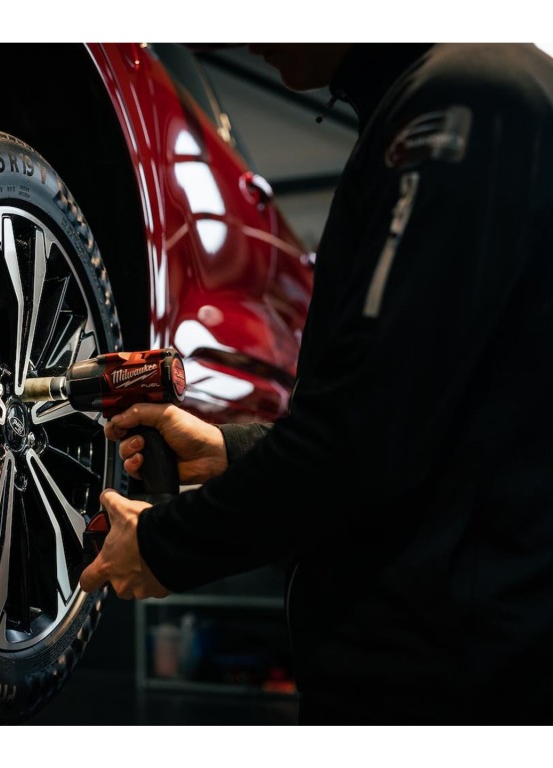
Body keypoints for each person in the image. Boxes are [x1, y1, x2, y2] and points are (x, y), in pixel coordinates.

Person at [79, 43, 553, 724]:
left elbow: (366, 434)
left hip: (455, 692)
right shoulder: (436, 101)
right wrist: (230, 451)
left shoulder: (466, 95)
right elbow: (423, 413)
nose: (242, 35)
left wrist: (163, 546)